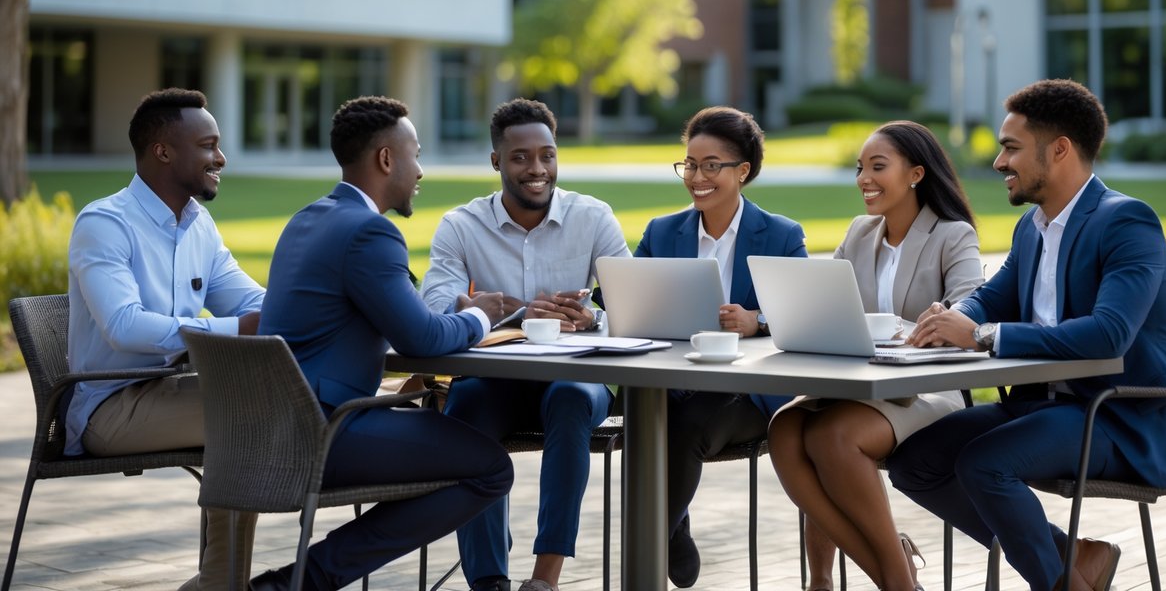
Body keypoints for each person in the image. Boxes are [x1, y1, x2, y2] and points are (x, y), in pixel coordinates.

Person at [887, 79, 1166, 591]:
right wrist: (948, 319)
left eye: (1011, 148)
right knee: (914, 463)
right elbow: (989, 300)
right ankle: (1074, 557)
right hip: (1044, 406)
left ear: (1058, 150)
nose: (998, 162)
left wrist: (984, 335)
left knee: (986, 464)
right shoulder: (1032, 227)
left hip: (1119, 414)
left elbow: (1108, 335)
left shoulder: (1127, 222)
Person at [253, 96, 514, 591]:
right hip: (325, 431)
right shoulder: (370, 232)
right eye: (415, 153)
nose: (420, 170)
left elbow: (406, 319)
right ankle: (302, 581)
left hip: (270, 428)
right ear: (386, 159)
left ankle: (301, 580)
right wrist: (483, 315)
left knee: (466, 455)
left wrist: (448, 318)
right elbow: (422, 339)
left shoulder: (307, 219)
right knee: (490, 468)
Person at [421, 98, 630, 591]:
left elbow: (632, 306)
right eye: (520, 157)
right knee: (466, 403)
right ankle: (489, 582)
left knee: (571, 397)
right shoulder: (461, 225)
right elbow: (433, 305)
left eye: (547, 155)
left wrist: (593, 314)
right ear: (497, 162)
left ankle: (545, 579)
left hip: (576, 378)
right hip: (497, 382)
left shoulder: (593, 217)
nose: (537, 169)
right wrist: (519, 314)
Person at [767, 120, 984, 591]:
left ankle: (896, 582)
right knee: (785, 428)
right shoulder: (860, 233)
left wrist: (928, 323)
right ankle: (862, 575)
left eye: (878, 167)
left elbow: (972, 307)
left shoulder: (952, 235)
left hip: (927, 392)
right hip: (857, 387)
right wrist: (763, 320)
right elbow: (824, 303)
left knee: (833, 438)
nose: (864, 178)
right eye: (860, 167)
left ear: (916, 174)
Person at [66, 88, 264, 591]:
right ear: (163, 151)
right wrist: (238, 329)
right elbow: (125, 326)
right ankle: (221, 584)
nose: (221, 157)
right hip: (111, 404)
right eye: (209, 145)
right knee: (250, 411)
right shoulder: (105, 223)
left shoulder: (200, 225)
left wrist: (311, 305)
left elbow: (248, 302)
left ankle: (218, 583)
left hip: (173, 390)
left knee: (260, 399)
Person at [632, 105, 807, 588]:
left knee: (684, 427)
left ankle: (648, 549)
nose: (696, 176)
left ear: (742, 171)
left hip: (745, 393)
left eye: (712, 165)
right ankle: (672, 533)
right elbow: (621, 297)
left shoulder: (781, 235)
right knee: (649, 412)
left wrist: (759, 320)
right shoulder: (662, 232)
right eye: (689, 164)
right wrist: (595, 311)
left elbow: (805, 316)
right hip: (668, 382)